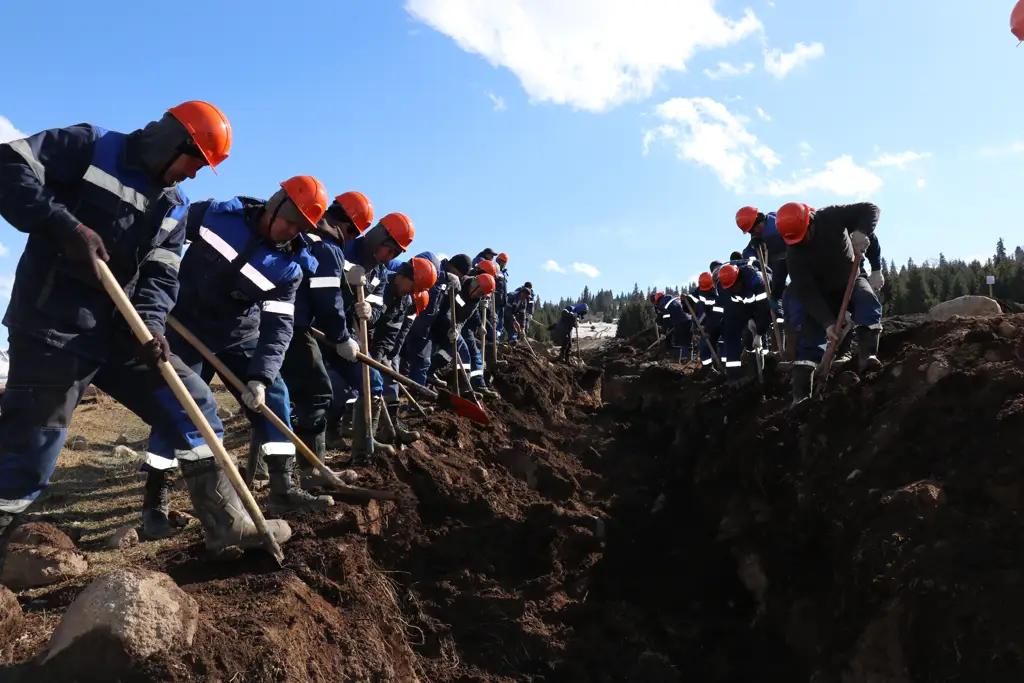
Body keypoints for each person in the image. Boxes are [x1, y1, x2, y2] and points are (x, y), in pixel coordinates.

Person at [0, 102, 289, 557]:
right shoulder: (91, 146)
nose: (194, 175)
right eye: (195, 161)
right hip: (53, 325)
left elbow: (161, 275)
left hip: (122, 332)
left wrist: (150, 326)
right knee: (32, 449)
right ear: (174, 142)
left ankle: (226, 522)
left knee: (191, 402)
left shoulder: (174, 206)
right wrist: (63, 225)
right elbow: (9, 165)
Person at [146, 175, 332, 530]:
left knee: (276, 394)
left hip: (237, 335)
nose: (291, 232)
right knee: (178, 407)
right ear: (275, 204)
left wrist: (260, 377)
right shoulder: (217, 216)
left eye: (301, 228)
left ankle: (283, 487)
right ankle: (155, 502)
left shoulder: (289, 267)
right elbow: (164, 233)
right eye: (290, 221)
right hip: (183, 324)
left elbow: (278, 327)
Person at [280, 191, 371, 480]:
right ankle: (312, 471)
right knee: (318, 392)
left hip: (275, 319)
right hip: (292, 326)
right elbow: (328, 300)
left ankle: (290, 470)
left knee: (279, 395)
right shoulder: (328, 248)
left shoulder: (303, 234)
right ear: (349, 229)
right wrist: (342, 338)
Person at [776, 201, 883, 404]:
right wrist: (827, 323)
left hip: (850, 279)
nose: (801, 242)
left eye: (803, 235)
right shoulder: (794, 255)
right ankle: (801, 399)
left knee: (867, 301)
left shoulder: (831, 217)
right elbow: (807, 293)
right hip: (822, 294)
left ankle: (868, 357)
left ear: (810, 221)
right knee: (809, 342)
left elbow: (870, 209)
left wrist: (862, 232)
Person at [339, 212, 416, 462]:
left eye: (394, 255)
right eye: (388, 250)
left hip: (350, 336)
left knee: (373, 382)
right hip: (322, 329)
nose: (387, 257)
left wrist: (370, 312)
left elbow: (379, 311)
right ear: (378, 237)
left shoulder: (380, 274)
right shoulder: (345, 249)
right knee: (322, 392)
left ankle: (364, 448)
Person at [428, 274, 497, 393]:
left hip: (454, 328)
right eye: (479, 292)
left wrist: (479, 325)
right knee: (463, 350)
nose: (478, 295)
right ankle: (432, 373)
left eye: (481, 294)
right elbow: (448, 310)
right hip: (441, 323)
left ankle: (463, 387)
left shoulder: (475, 300)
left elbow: (470, 313)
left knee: (457, 351)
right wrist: (452, 327)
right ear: (474, 284)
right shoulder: (459, 289)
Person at [717, 262, 770, 383]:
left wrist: (759, 334)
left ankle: (766, 370)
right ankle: (749, 373)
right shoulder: (727, 288)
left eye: (735, 286)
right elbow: (738, 308)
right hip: (749, 308)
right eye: (730, 288)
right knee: (742, 335)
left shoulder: (756, 281)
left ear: (739, 278)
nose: (733, 289)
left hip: (770, 300)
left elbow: (763, 308)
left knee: (766, 327)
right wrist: (749, 319)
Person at [694, 272, 725, 373]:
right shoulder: (702, 290)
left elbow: (715, 317)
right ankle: (708, 369)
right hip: (708, 323)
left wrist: (707, 330)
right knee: (705, 346)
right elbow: (701, 309)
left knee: (718, 344)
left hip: (719, 324)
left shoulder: (717, 296)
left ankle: (723, 367)